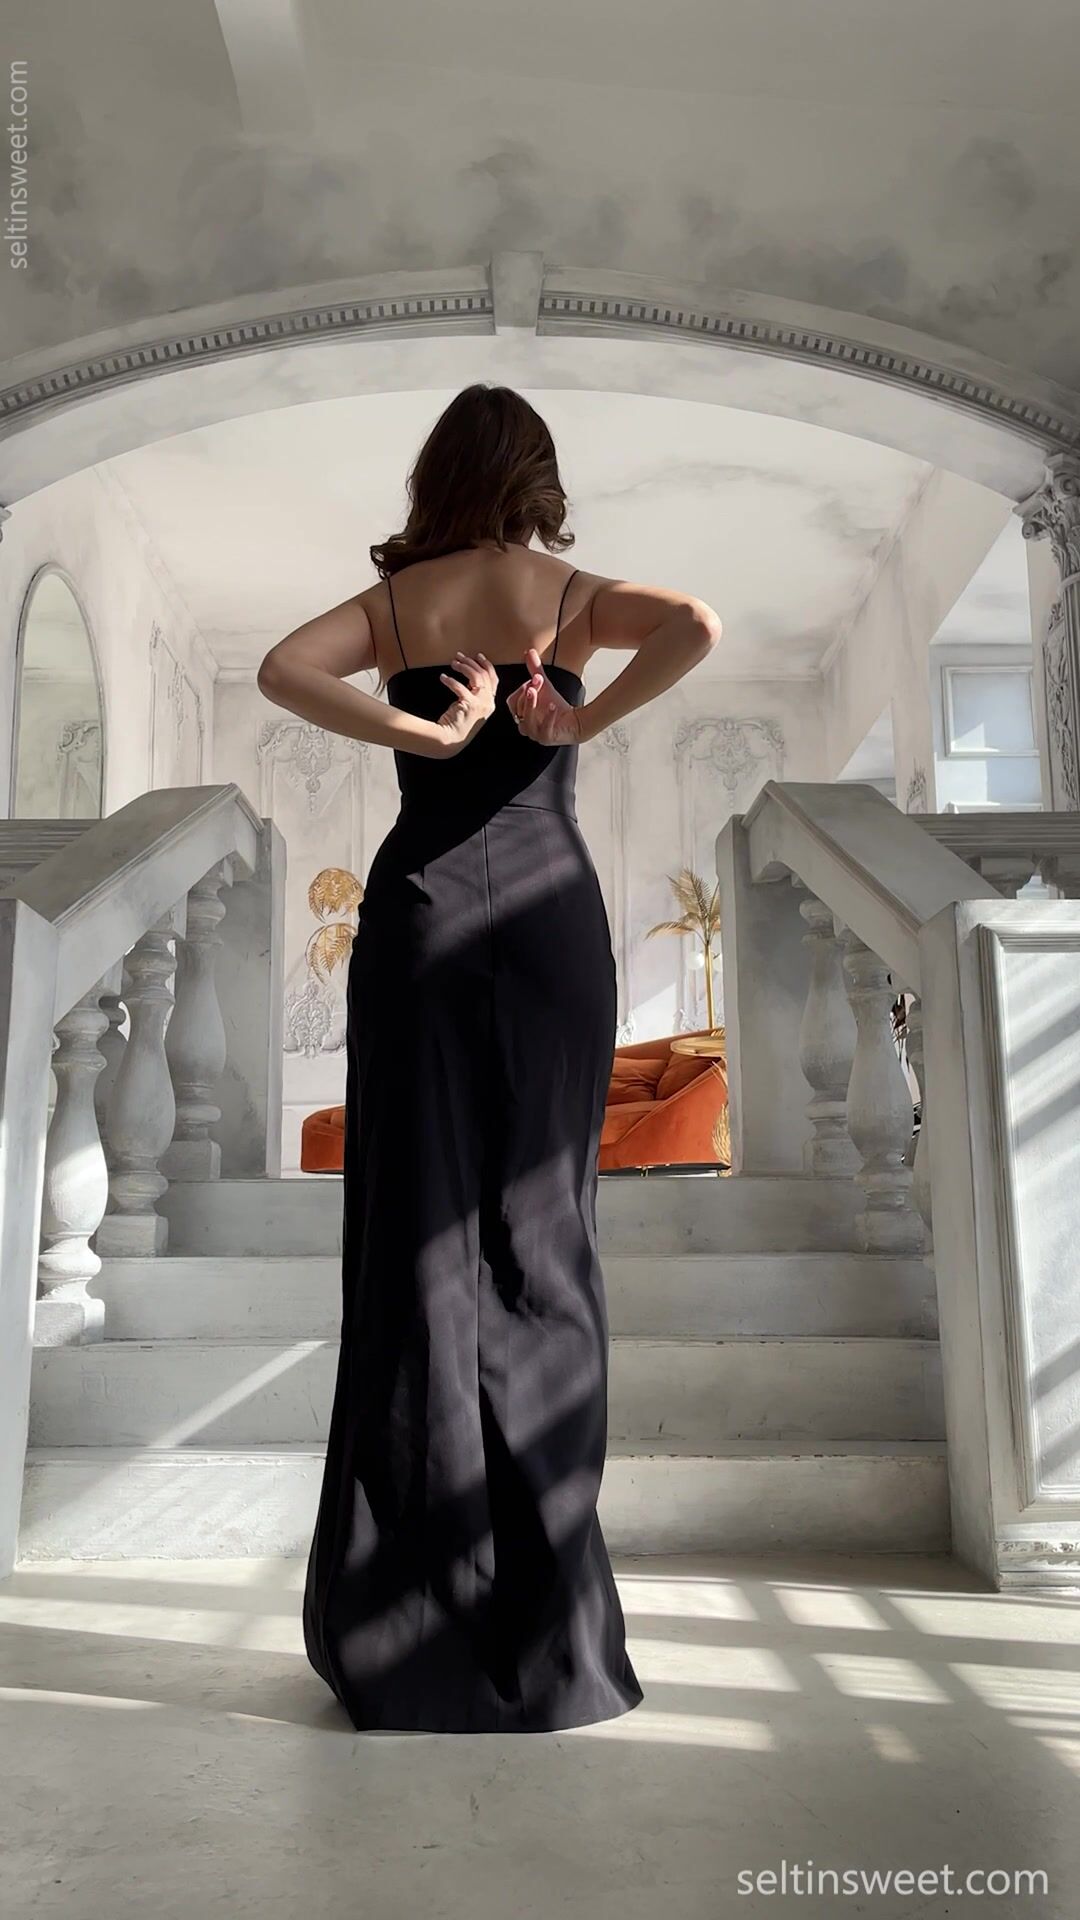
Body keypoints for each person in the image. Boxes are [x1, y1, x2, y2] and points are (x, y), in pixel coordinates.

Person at [257, 383, 722, 1733]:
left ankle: (406, 1638)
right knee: (544, 1242)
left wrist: (421, 732)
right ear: (536, 476)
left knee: (414, 1247)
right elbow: (697, 622)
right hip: (545, 925)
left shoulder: (400, 606)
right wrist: (583, 717)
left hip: (419, 918)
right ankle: (549, 1634)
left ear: (437, 474)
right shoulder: (564, 595)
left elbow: (282, 668)